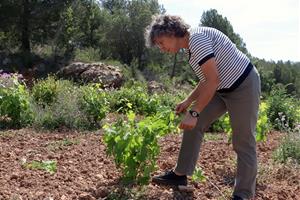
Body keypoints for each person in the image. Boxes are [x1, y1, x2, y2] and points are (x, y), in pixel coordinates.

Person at [144, 14, 261, 200]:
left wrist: (194, 111)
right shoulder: (190, 46)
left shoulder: (197, 39)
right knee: (194, 124)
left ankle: (243, 195)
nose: (161, 47)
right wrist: (188, 101)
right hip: (222, 88)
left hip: (243, 85)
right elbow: (207, 79)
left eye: (161, 42)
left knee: (243, 141)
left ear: (172, 32)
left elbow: (212, 81)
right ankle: (180, 175)